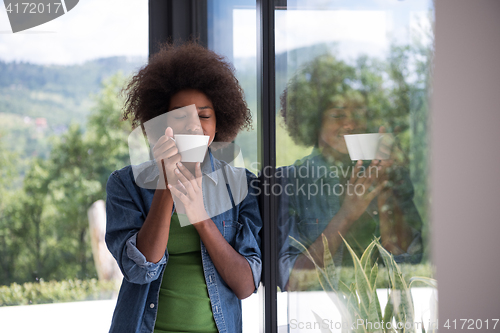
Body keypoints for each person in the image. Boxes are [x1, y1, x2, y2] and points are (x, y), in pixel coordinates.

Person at [105, 42, 262, 333]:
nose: (193, 126)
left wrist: (200, 217)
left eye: (204, 115)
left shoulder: (242, 185)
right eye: (179, 115)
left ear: (219, 121)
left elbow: (245, 285)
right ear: (159, 121)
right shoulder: (125, 184)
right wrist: (166, 186)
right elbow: (140, 270)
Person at [277, 54, 422, 290]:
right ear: (313, 121)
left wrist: (387, 194)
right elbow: (292, 280)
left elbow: (410, 264)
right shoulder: (290, 181)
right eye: (338, 114)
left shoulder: (386, 173)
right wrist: (347, 215)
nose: (350, 124)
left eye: (358, 113)